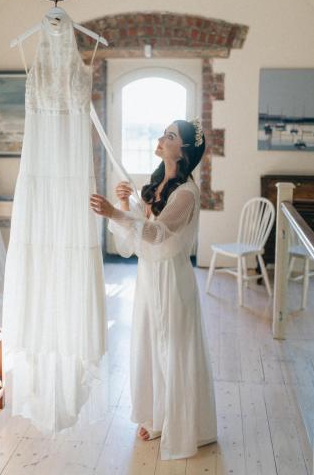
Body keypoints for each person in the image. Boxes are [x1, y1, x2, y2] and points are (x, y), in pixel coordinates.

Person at [90, 118, 217, 460]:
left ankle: (186, 426)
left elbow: (159, 234)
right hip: (150, 274)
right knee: (152, 343)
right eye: (164, 133)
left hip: (171, 279)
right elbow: (145, 229)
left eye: (170, 136)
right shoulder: (157, 183)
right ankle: (160, 417)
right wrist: (129, 204)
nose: (161, 138)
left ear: (184, 150)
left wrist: (117, 213)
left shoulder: (187, 193)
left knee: (173, 347)